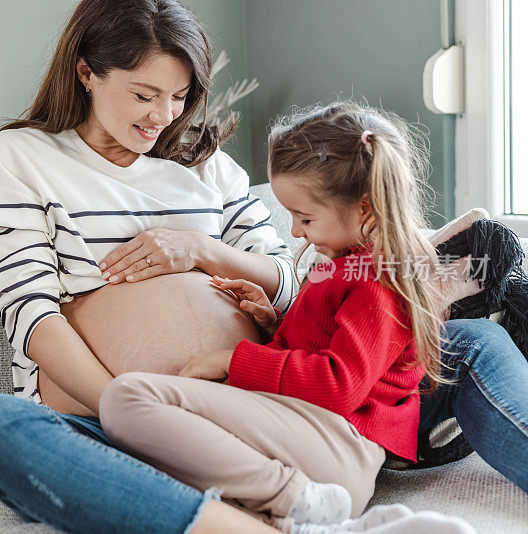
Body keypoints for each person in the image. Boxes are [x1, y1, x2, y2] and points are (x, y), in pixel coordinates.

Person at [0, 1, 528, 532]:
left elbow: (296, 280)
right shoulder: (22, 158)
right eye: (144, 94)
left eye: (178, 97)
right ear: (86, 72)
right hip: (117, 420)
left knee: (469, 340)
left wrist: (203, 251)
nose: (162, 116)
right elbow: (31, 315)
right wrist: (138, 411)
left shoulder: (208, 169)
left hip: (279, 399)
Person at [96, 101, 475, 533]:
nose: (294, 230)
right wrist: (276, 323)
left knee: (126, 398)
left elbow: (337, 384)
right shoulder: (347, 263)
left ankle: (294, 498)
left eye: (304, 217)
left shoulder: (378, 278)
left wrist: (231, 361)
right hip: (311, 438)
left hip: (340, 442)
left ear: (365, 208)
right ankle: (313, 519)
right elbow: (332, 346)